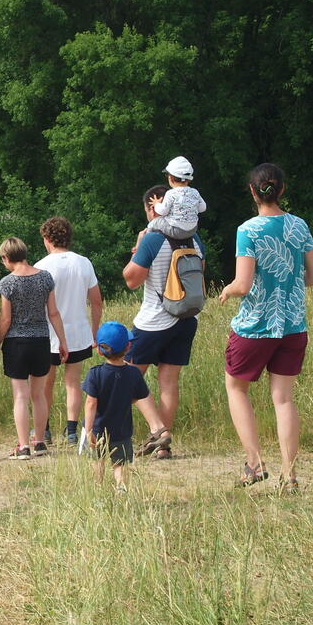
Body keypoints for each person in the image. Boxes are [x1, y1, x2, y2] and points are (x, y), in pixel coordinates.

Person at [219, 163, 313, 490]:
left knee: (236, 388)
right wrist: (288, 284)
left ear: (253, 191)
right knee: (284, 400)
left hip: (256, 326)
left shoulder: (248, 230)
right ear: (282, 190)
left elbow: (244, 283)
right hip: (293, 325)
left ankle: (254, 463)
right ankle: (289, 476)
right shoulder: (299, 226)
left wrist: (227, 289)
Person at [122, 187, 205, 459]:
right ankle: (163, 447)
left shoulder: (153, 239)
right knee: (169, 383)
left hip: (154, 321)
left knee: (127, 378)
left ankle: (156, 430)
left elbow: (131, 280)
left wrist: (137, 246)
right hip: (186, 317)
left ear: (152, 208)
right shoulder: (195, 240)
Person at [0, 237, 69, 459]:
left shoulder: (7, 283)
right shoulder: (45, 278)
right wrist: (63, 342)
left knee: (20, 396)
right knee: (38, 395)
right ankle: (39, 442)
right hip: (41, 340)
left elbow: (6, 320)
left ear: (6, 258)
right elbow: (53, 313)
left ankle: (22, 445)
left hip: (16, 343)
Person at [35, 217, 103, 446]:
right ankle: (72, 430)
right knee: (73, 382)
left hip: (50, 333)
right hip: (78, 332)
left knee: (46, 382)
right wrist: (94, 332)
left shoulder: (41, 266)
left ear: (47, 239)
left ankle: (44, 429)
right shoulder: (84, 263)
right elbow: (96, 301)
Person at [82, 321, 152, 493]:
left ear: (98, 349)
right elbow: (138, 397)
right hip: (122, 429)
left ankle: (97, 490)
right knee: (120, 463)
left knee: (97, 461)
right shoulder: (133, 373)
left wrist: (89, 430)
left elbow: (91, 403)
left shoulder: (95, 373)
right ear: (128, 347)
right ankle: (122, 489)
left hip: (97, 430)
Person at [147, 155, 207, 240]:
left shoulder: (171, 193)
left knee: (154, 223)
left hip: (176, 231)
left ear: (170, 178)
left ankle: (147, 242)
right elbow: (203, 208)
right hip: (192, 230)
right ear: (189, 179)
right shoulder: (195, 192)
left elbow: (163, 211)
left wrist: (157, 204)